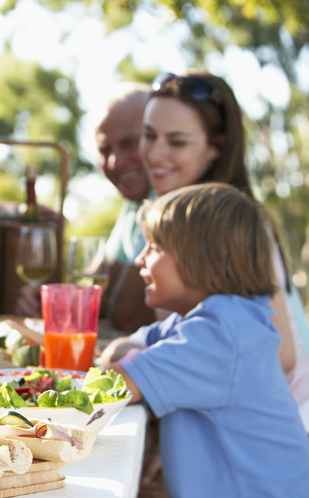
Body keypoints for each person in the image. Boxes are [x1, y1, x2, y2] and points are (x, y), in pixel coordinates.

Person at [105, 183, 309, 498]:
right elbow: (134, 347)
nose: (140, 258)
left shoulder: (221, 336)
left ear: (204, 259)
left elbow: (118, 382)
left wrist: (122, 355)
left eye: (155, 247)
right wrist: (126, 352)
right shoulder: (207, 321)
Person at [136, 71, 309, 428]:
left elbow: (280, 354)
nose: (155, 153)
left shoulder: (234, 226)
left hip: (269, 436)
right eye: (149, 135)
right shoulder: (169, 218)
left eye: (177, 142)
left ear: (216, 146)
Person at [17, 83, 155, 331]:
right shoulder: (134, 205)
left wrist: (67, 305)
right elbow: (96, 283)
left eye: (129, 143)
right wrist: (51, 302)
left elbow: (129, 314)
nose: (115, 162)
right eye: (105, 149)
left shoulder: (167, 203)